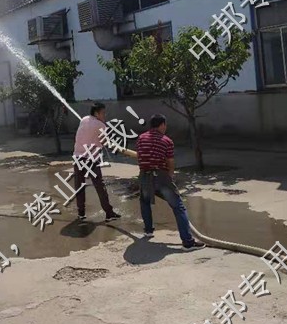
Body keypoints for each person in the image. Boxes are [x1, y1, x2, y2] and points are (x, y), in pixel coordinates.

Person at [136, 114, 205, 249]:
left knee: (145, 202)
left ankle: (148, 230)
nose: (165, 127)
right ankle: (188, 242)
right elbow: (170, 162)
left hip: (144, 176)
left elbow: (140, 156)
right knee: (178, 207)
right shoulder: (166, 141)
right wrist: (170, 175)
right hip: (161, 176)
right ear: (162, 125)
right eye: (165, 125)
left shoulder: (141, 138)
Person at [72, 102, 123, 222]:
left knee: (79, 186)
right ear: (96, 113)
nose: (105, 115)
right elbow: (105, 142)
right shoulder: (100, 125)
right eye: (103, 113)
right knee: (100, 186)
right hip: (91, 159)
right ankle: (109, 213)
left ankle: (81, 213)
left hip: (78, 157)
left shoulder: (84, 119)